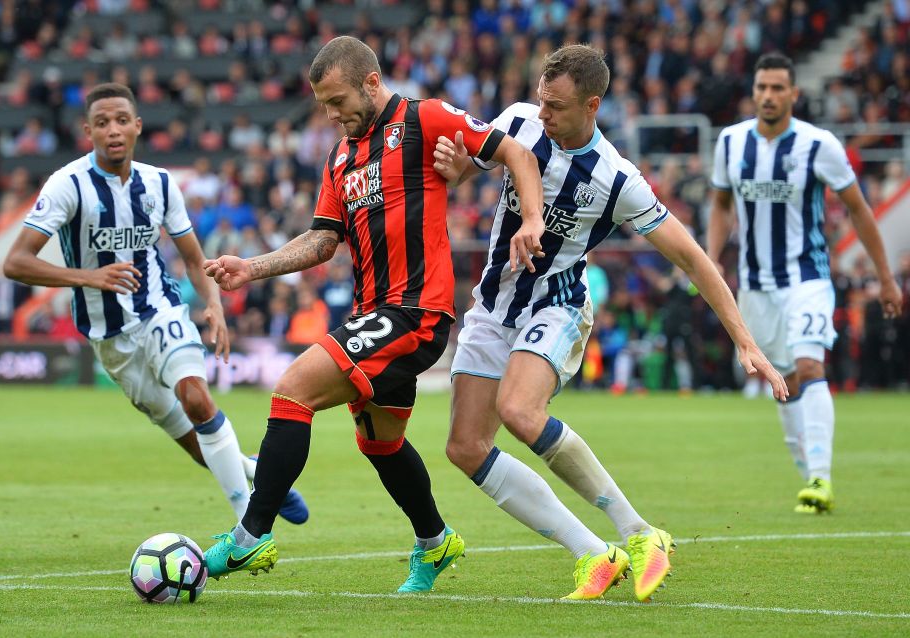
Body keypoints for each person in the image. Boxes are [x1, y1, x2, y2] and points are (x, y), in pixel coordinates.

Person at [433, 44, 788, 601]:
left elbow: (694, 258)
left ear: (592, 105)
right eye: (541, 100)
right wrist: (455, 171)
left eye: (557, 106)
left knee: (519, 410)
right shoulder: (518, 122)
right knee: (465, 447)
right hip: (492, 306)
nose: (543, 114)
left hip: (558, 304)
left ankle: (642, 533)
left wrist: (747, 342)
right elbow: (462, 169)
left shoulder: (617, 180)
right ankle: (595, 554)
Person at [200, 36, 545, 592]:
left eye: (338, 102)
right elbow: (321, 241)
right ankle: (435, 542)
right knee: (379, 442)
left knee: (292, 390)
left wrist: (531, 218)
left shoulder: (426, 119)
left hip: (415, 312)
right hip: (374, 312)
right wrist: (252, 267)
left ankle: (251, 536)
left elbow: (517, 153)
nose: (333, 116)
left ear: (371, 81)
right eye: (323, 106)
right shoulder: (340, 157)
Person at [2, 83, 309, 526]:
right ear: (88, 130)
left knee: (197, 400)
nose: (113, 130)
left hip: (160, 309)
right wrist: (88, 277)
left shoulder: (160, 184)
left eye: (122, 120)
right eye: (103, 122)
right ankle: (256, 473)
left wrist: (214, 307)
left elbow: (192, 258)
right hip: (109, 336)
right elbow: (16, 261)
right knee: (196, 443)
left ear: (137, 127)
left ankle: (250, 526)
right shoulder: (67, 185)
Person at [707, 52, 903, 514]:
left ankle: (821, 477)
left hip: (807, 278)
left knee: (810, 367)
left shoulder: (820, 145)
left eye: (778, 88)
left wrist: (886, 278)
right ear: (753, 92)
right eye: (762, 88)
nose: (769, 96)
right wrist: (712, 259)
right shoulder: (732, 143)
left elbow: (858, 209)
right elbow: (718, 205)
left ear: (794, 94)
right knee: (786, 381)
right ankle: (808, 478)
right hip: (754, 287)